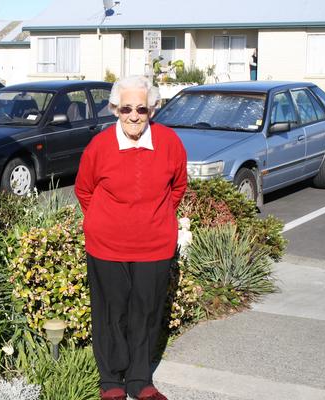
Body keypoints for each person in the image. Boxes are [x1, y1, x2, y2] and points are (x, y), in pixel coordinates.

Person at [75, 75, 187, 400]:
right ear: (115, 109)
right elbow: (84, 190)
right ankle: (111, 381)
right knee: (111, 312)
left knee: (147, 311)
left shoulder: (169, 143)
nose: (134, 115)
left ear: (152, 108)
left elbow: (178, 186)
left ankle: (140, 380)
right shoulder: (100, 146)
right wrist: (106, 221)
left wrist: (157, 217)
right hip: (106, 245)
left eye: (141, 108)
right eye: (126, 108)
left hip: (155, 245)